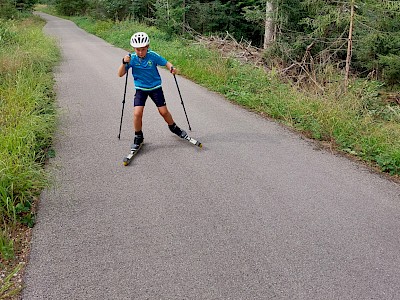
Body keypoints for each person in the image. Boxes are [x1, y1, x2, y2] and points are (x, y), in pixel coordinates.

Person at [118, 32, 187, 151]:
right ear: (134, 48)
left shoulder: (153, 56)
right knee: (137, 113)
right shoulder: (131, 59)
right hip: (141, 89)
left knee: (164, 112)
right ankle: (138, 136)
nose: (140, 52)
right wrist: (124, 63)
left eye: (143, 49)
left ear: (147, 47)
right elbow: (120, 74)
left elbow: (166, 62)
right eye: (137, 49)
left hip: (155, 88)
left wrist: (172, 68)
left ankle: (174, 127)